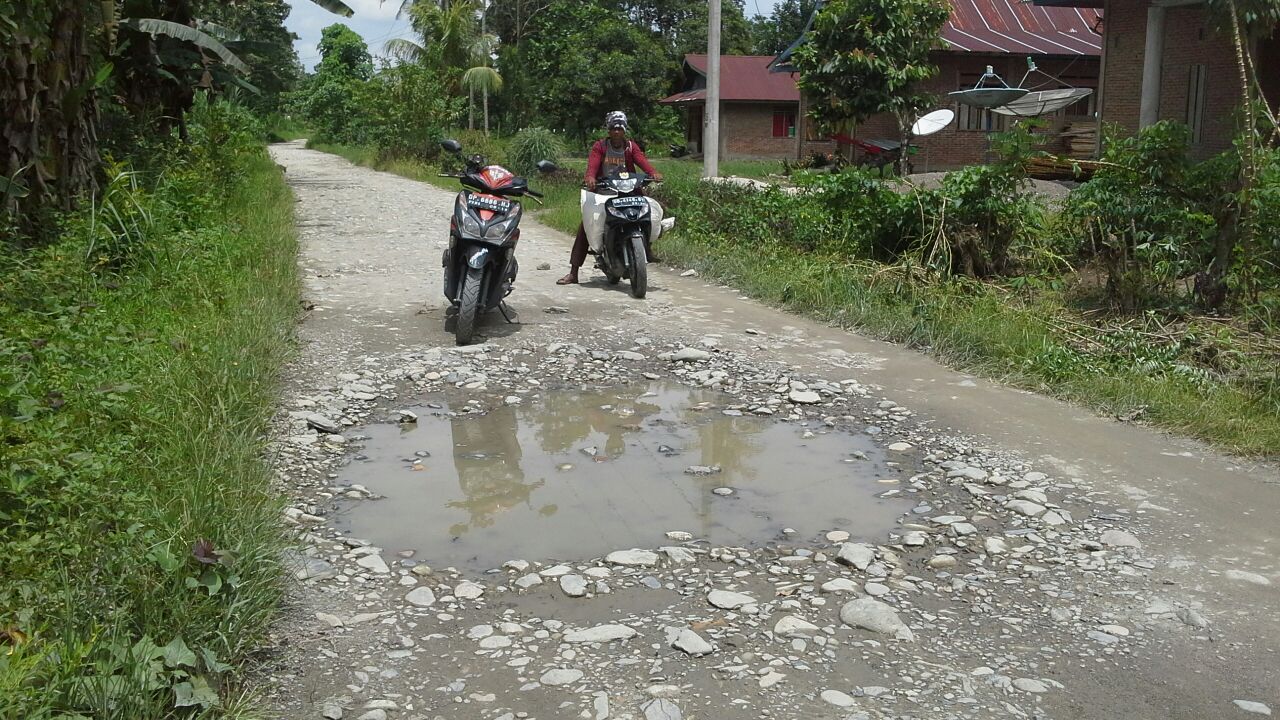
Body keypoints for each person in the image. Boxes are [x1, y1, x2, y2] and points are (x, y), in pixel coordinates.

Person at [557, 111, 664, 285]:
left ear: (624, 130)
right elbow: (592, 165)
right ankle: (574, 272)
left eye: (620, 128)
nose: (616, 131)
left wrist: (653, 173)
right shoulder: (600, 146)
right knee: (585, 226)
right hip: (604, 193)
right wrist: (591, 178)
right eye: (613, 127)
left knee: (655, 211)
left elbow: (642, 161)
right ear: (608, 129)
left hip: (629, 192)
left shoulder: (630, 147)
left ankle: (648, 249)